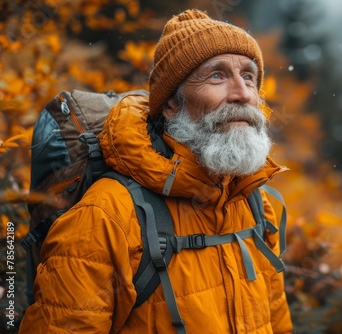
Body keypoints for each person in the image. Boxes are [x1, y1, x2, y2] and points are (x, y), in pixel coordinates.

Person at [19, 9, 293, 334]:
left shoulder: (255, 204)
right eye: (217, 76)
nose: (243, 93)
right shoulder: (106, 217)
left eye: (249, 76)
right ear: (171, 105)